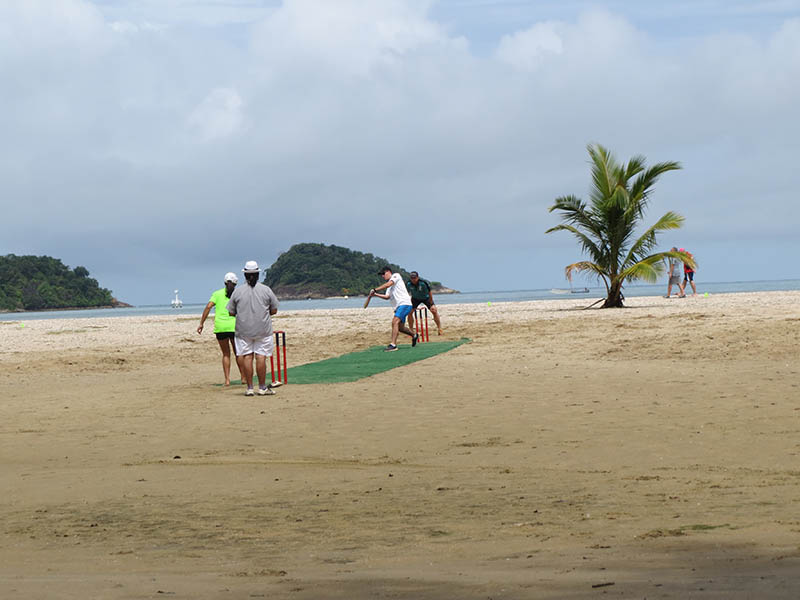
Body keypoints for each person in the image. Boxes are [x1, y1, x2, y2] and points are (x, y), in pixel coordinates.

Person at [226, 260, 280, 396]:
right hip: (263, 329)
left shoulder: (238, 292)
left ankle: (250, 388)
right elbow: (274, 310)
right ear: (257, 274)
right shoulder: (266, 290)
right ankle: (262, 387)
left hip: (243, 330)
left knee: (247, 357)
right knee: (261, 357)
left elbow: (231, 312)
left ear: (245, 275)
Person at [197, 272, 243, 386]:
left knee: (226, 354)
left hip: (220, 327)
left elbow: (208, 306)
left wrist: (201, 323)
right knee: (238, 353)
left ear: (224, 282)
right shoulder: (238, 294)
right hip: (234, 326)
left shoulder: (217, 294)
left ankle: (227, 380)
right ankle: (243, 378)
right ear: (236, 283)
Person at [368, 266, 418, 352]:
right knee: (400, 328)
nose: (383, 276)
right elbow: (387, 297)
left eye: (383, 274)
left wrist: (375, 289)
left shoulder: (396, 276)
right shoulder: (389, 287)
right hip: (398, 307)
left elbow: (389, 283)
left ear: (388, 272)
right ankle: (414, 335)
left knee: (394, 321)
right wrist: (376, 295)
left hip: (405, 304)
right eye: (382, 275)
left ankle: (393, 345)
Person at [405, 271, 443, 335]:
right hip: (415, 298)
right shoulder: (408, 284)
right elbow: (406, 293)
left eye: (414, 278)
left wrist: (431, 301)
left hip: (426, 298)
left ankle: (439, 328)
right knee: (409, 312)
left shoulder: (423, 283)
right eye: (412, 278)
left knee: (434, 310)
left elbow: (429, 292)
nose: (413, 279)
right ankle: (411, 330)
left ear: (417, 277)